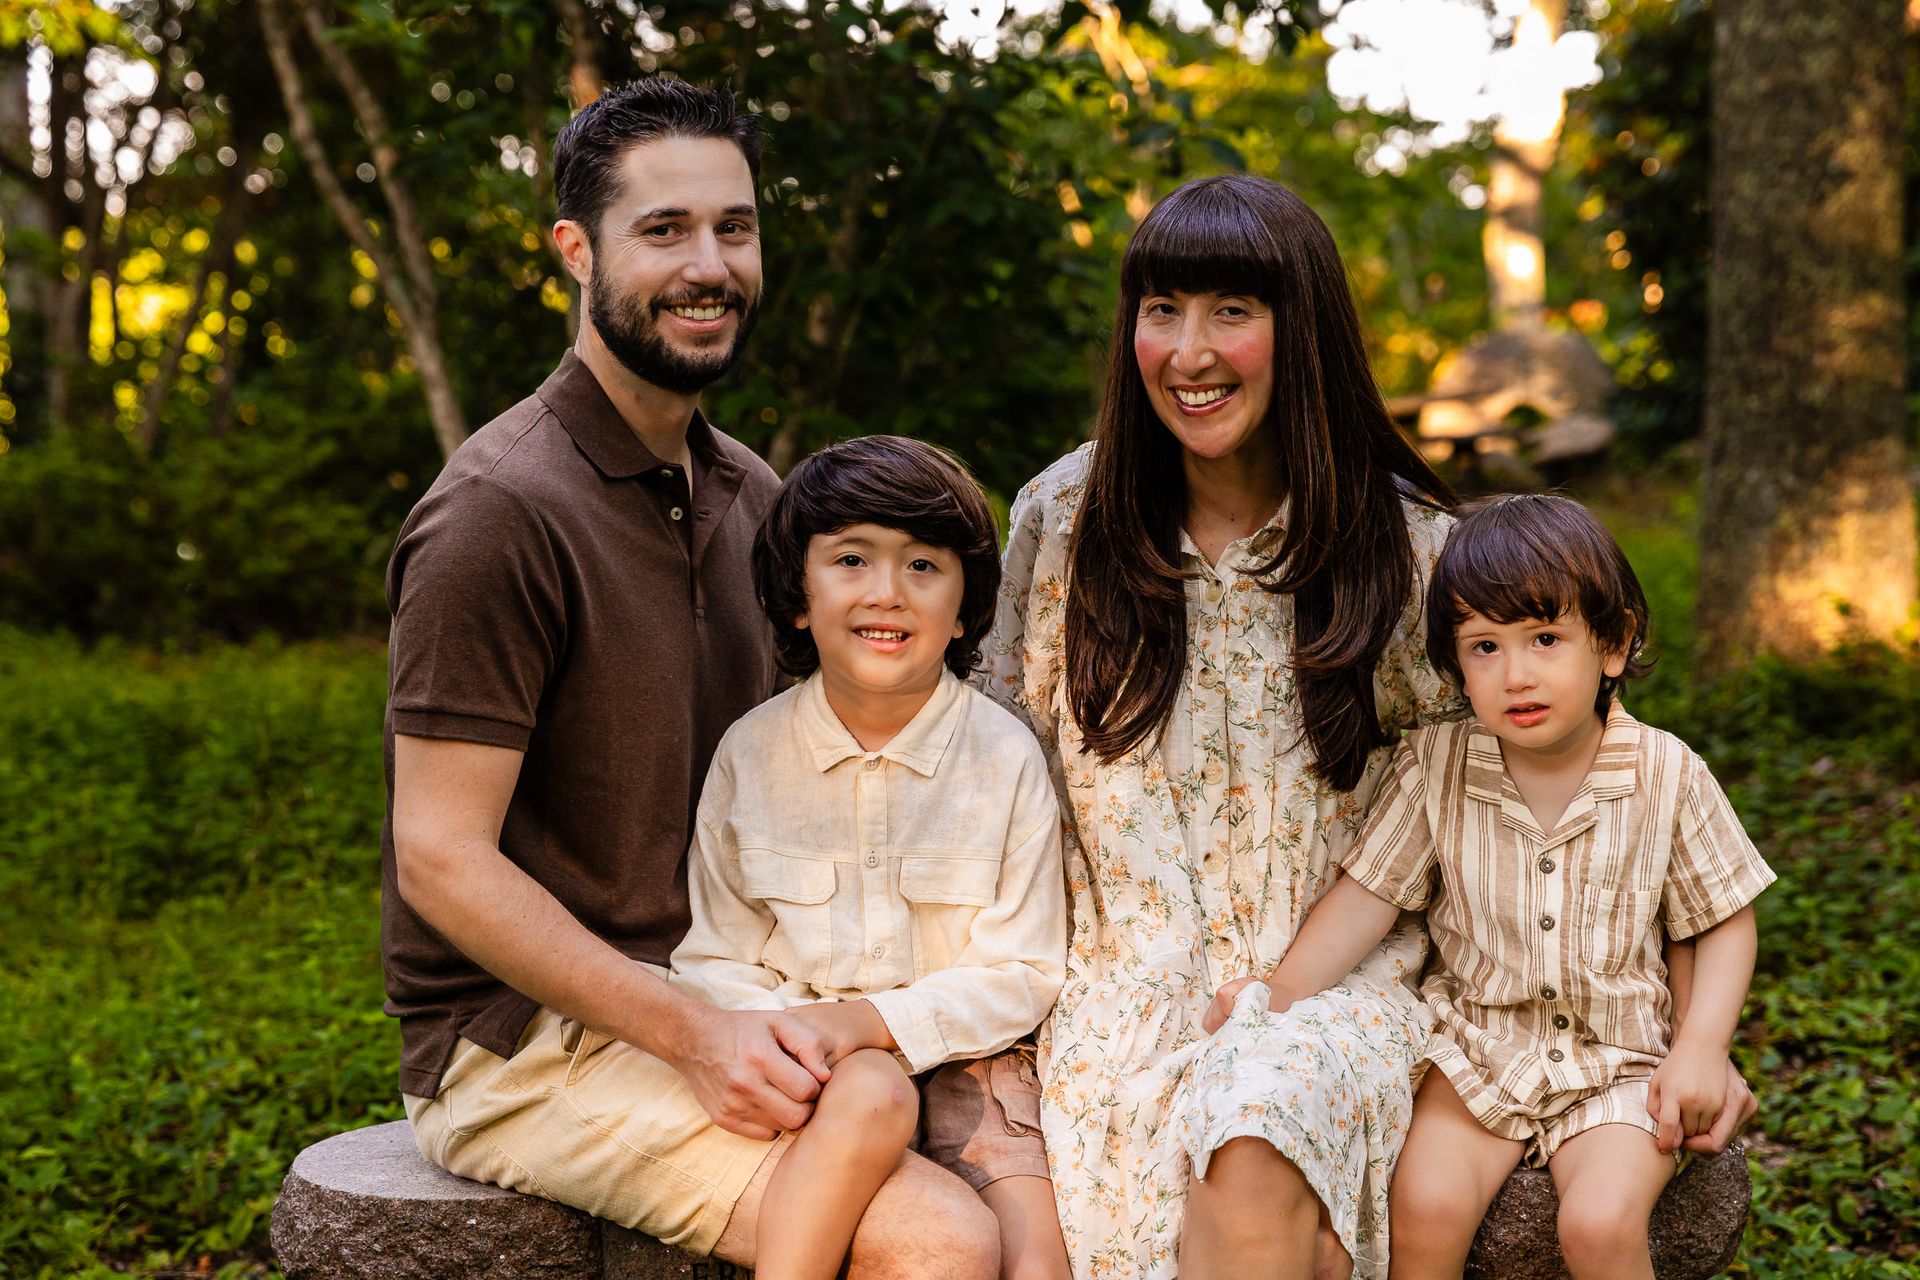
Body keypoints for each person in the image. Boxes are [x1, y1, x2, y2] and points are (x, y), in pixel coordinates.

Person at [980, 174, 1755, 1280]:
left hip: (1349, 996)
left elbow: (1555, 797)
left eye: (1232, 312)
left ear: (1305, 330)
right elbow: (992, 768)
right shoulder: (1064, 519)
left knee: (1255, 1122)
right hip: (1118, 1005)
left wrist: (1690, 1044)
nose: (1189, 351)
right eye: (1163, 310)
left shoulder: (1412, 548)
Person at [382, 79, 998, 1279]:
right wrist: (699, 1033)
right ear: (577, 249)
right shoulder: (496, 514)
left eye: (735, 226)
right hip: (524, 1044)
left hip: (733, 983)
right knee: (940, 1240)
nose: (708, 264)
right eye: (663, 230)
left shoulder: (754, 496)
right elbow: (439, 857)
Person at [1239, 494, 1774, 1280]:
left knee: (1597, 1223)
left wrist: (1700, 1048)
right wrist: (1276, 997)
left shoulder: (1666, 773)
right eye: (1484, 646)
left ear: (1615, 645)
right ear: (1456, 665)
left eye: (1546, 639)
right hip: (1476, 1056)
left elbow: (1724, 920)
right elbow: (1368, 896)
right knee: (1423, 1213)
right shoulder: (1437, 766)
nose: (1516, 674)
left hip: (1619, 1061)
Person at [670, 435, 1073, 1280]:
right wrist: (804, 1042)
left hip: (977, 1061)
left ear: (966, 607)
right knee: (871, 1100)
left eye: (923, 565)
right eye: (852, 559)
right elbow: (715, 954)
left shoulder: (1003, 758)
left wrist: (871, 1023)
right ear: (797, 600)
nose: (887, 592)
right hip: (810, 1070)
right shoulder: (752, 755)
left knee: (1037, 1265)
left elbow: (1024, 968)